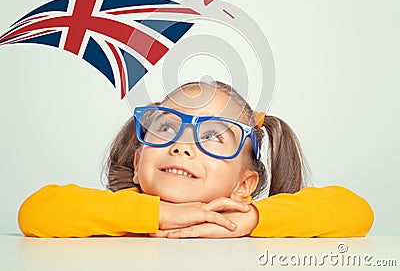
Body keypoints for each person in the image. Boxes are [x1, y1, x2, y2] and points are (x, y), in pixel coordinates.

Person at [18, 81, 374, 238]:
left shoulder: (246, 223)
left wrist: (251, 219)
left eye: (212, 136)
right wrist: (159, 215)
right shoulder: (121, 212)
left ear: (243, 185)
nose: (181, 146)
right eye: (166, 129)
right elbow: (35, 212)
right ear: (139, 160)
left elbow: (356, 212)